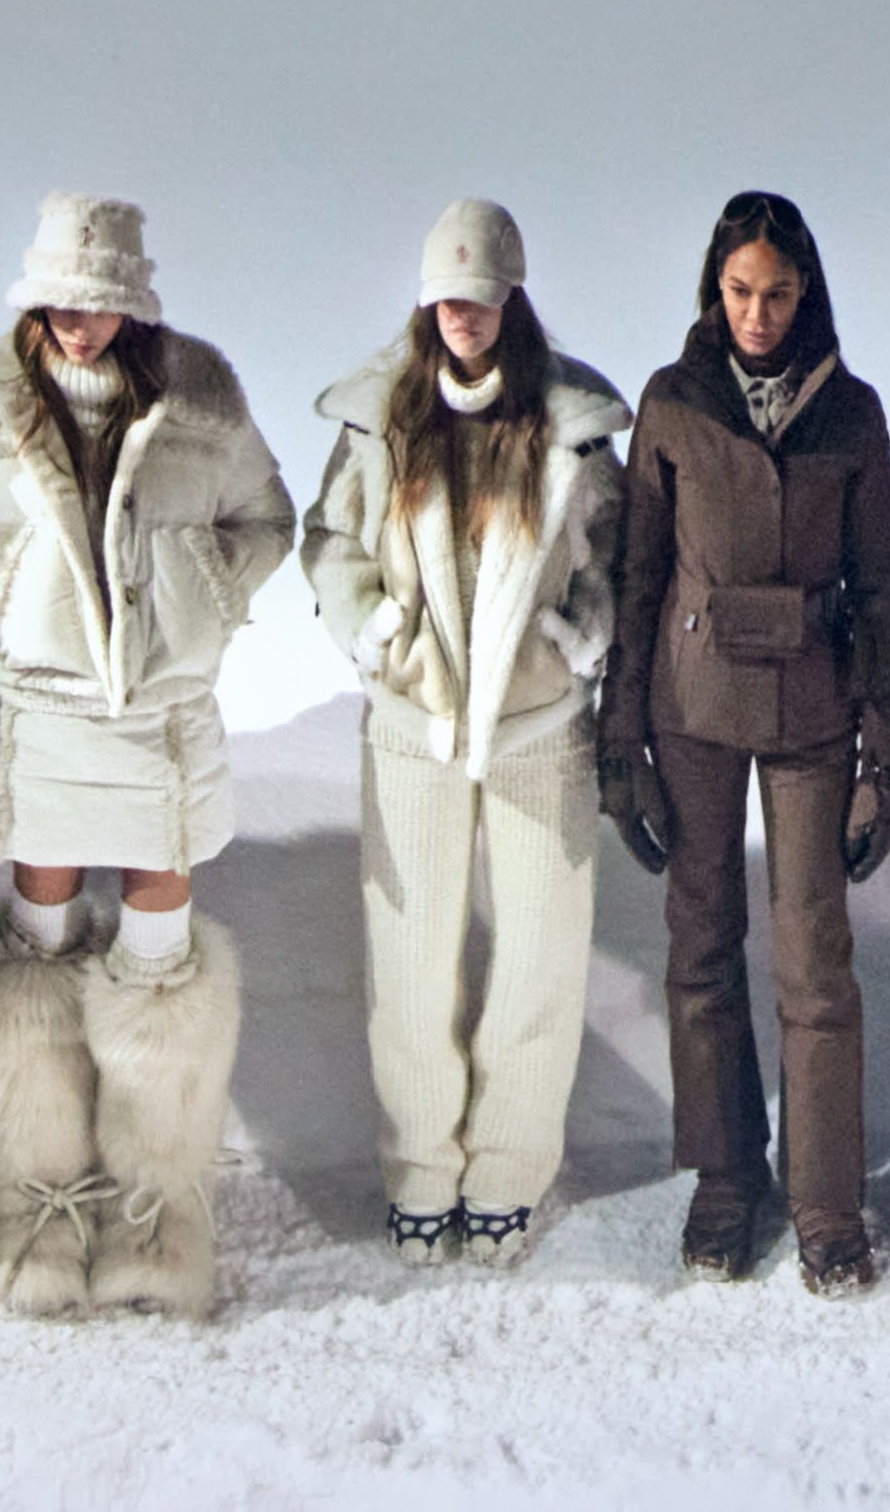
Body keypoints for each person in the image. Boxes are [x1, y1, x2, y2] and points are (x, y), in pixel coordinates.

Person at [0, 199, 289, 1322]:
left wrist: (204, 596)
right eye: (60, 301)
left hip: (161, 715)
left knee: (157, 950)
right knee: (37, 945)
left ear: (133, 301)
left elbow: (266, 520)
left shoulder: (201, 395)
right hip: (43, 709)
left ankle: (155, 1210)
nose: (79, 324)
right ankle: (34, 1202)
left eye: (101, 303)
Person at [294, 207, 622, 1271]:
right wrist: (372, 626)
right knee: (411, 961)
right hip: (412, 723)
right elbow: (328, 541)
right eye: (445, 299)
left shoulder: (570, 426)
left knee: (539, 961)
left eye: (479, 299)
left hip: (540, 724)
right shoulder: (379, 418)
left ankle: (509, 1175)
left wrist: (583, 635)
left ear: (511, 298)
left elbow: (617, 550)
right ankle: (421, 1173)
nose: (461, 318)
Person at [603, 191, 890, 1293]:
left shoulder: (853, 412)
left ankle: (827, 1201)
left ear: (807, 290)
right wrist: (619, 739)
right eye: (740, 291)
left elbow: (877, 586)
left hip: (814, 709)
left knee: (814, 962)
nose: (759, 313)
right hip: (689, 707)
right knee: (699, 946)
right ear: (712, 289)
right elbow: (637, 575)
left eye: (778, 292)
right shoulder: (674, 403)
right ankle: (725, 1180)